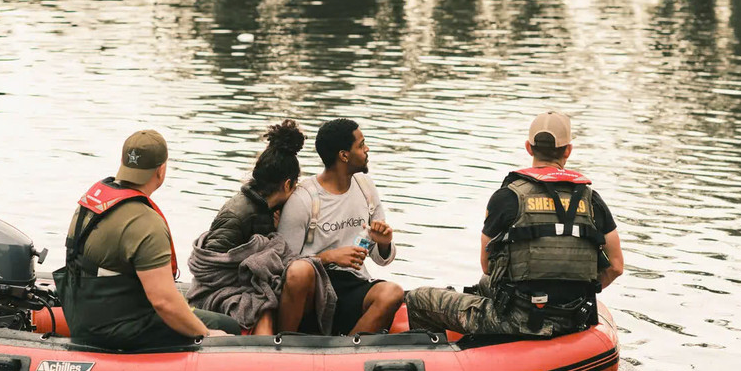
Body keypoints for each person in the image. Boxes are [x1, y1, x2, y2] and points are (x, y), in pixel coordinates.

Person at [405, 112, 624, 338]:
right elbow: (616, 266)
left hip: (518, 320)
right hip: (574, 315)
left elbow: (488, 265)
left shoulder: (507, 197)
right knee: (483, 285)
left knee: (418, 299)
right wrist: (572, 295)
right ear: (568, 150)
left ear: (529, 147)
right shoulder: (592, 200)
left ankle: (446, 362)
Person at [58, 130, 240, 350]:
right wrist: (206, 334)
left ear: (123, 162)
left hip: (83, 316)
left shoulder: (92, 203)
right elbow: (164, 302)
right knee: (227, 326)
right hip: (113, 330)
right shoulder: (144, 222)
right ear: (161, 171)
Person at [187, 121, 331, 335]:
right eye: (296, 183)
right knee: (261, 309)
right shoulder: (236, 214)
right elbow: (209, 268)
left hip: (251, 283)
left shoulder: (271, 209)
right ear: (287, 185)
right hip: (220, 289)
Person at [274, 119, 404, 335]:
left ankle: (346, 354)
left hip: (353, 284)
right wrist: (328, 257)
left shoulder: (366, 187)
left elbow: (381, 259)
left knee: (392, 292)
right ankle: (284, 346)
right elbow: (282, 265)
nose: (367, 149)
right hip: (314, 290)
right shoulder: (304, 198)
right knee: (299, 271)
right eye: (361, 145)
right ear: (344, 155)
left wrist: (384, 243)